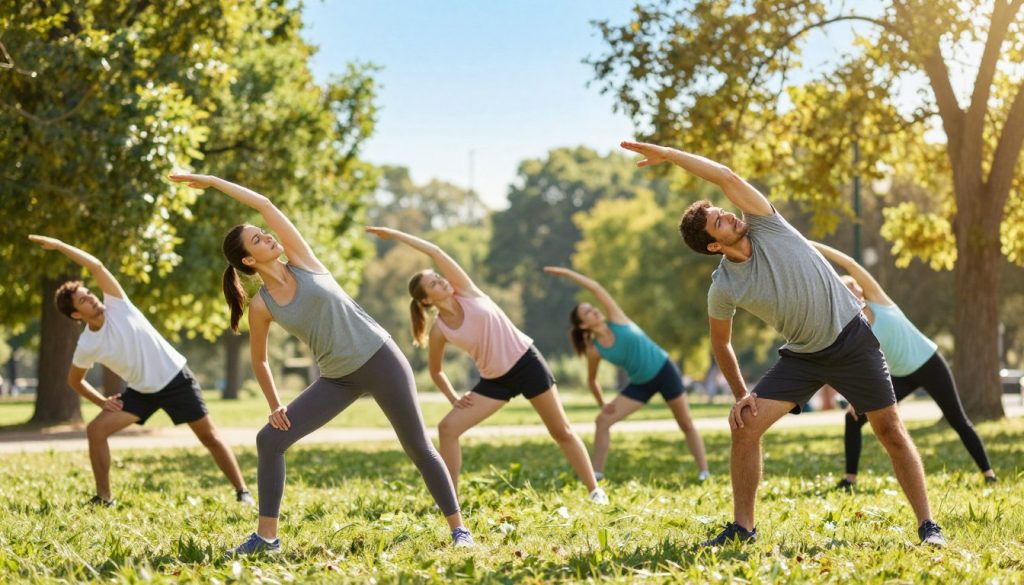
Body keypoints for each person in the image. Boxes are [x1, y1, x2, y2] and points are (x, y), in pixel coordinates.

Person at [620, 139, 946, 547]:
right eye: (718, 222)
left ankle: (928, 525)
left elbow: (725, 176)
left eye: (722, 212)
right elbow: (721, 344)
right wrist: (741, 395)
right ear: (714, 246)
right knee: (744, 426)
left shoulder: (764, 221)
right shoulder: (723, 287)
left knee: (890, 431)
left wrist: (670, 155)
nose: (728, 217)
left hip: (851, 339)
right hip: (803, 358)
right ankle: (743, 528)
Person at [167, 174, 472, 555]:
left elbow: (264, 203)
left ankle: (460, 530)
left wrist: (213, 181)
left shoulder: (302, 260)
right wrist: (274, 403)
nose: (267, 237)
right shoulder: (262, 306)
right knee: (270, 439)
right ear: (248, 260)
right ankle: (266, 538)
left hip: (380, 357)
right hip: (338, 379)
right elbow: (259, 360)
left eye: (264, 233)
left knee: (417, 447)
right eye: (258, 240)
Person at [366, 227, 608, 505]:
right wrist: (453, 397)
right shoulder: (440, 330)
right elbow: (436, 371)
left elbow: (435, 251)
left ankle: (594, 489)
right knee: (448, 429)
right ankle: (450, 500)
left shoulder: (466, 291)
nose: (441, 281)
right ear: (426, 300)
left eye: (438, 277)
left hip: (526, 362)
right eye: (433, 284)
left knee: (561, 431)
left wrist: (396, 235)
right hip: (495, 381)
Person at [28, 235, 252, 508]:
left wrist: (62, 246)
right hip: (142, 392)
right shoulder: (87, 344)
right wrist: (102, 402)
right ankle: (104, 498)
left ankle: (242, 492)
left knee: (210, 437)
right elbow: (74, 380)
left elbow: (97, 266)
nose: (91, 299)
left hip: (175, 378)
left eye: (88, 294)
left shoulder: (117, 305)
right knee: (95, 431)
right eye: (83, 301)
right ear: (76, 315)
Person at [812, 242, 997, 487]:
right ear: (845, 295)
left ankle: (988, 474)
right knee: (853, 418)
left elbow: (850, 264)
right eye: (852, 287)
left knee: (958, 420)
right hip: (900, 376)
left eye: (857, 284)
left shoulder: (879, 299)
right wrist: (857, 398)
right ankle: (849, 479)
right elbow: (857, 365)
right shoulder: (853, 326)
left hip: (929, 362)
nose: (858, 287)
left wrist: (811, 245)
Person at [544, 266, 710, 482]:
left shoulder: (617, 318)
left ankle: (704, 471)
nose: (594, 310)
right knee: (602, 421)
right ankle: (596, 474)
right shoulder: (595, 350)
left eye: (592, 307)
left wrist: (568, 275)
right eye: (587, 312)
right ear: (584, 324)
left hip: (664, 370)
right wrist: (602, 403)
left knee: (686, 423)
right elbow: (592, 380)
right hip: (641, 383)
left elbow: (595, 287)